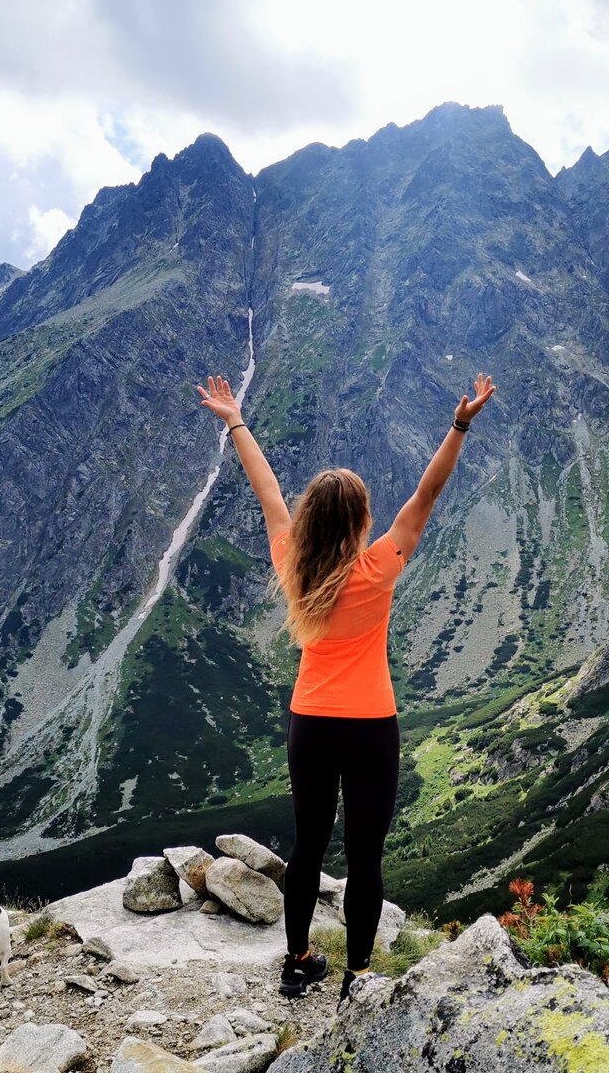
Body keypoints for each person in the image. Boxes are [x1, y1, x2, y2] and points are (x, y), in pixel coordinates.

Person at [196, 370, 497, 1003]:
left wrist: (235, 421)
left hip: (310, 721)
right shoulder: (378, 566)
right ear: (362, 519)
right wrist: (460, 422)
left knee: (307, 845)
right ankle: (358, 975)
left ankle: (298, 958)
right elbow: (427, 492)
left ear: (310, 520)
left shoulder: (291, 561)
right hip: (370, 727)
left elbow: (267, 489)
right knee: (365, 856)